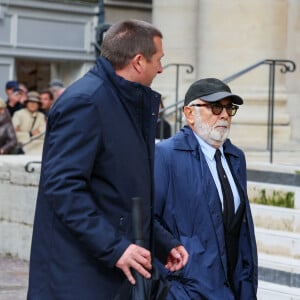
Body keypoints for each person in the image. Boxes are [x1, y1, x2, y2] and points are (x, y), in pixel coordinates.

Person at [27, 19, 188, 300]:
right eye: (159, 60)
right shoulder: (87, 102)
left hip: (108, 271)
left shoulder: (124, 102)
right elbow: (63, 189)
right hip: (79, 276)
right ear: (139, 62)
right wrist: (114, 247)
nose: (161, 68)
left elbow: (122, 193)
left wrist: (161, 242)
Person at [154, 78, 258, 299]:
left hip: (234, 288)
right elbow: (148, 219)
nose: (224, 115)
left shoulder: (236, 157)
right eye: (215, 107)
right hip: (187, 290)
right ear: (190, 113)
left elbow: (238, 229)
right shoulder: (166, 155)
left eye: (229, 108)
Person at [12, 91, 46, 155]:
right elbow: (13, 134)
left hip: (37, 146)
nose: (32, 104)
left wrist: (23, 133)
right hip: (21, 147)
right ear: (26, 103)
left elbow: (43, 134)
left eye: (35, 102)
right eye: (30, 101)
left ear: (39, 105)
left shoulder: (41, 116)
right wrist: (30, 134)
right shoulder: (18, 114)